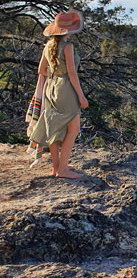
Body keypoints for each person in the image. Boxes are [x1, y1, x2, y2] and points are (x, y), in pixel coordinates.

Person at [29, 10, 89, 178]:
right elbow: (72, 73)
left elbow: (41, 70)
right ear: (69, 30)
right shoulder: (68, 47)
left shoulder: (48, 46)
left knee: (54, 127)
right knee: (74, 129)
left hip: (51, 87)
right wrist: (81, 96)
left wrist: (55, 75)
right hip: (66, 89)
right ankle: (62, 169)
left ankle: (56, 168)